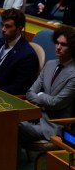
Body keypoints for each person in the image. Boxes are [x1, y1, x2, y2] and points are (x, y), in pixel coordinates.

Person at [16, 26, 75, 156]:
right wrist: (42, 99)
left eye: (63, 44)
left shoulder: (73, 74)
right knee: (4, 119)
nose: (58, 47)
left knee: (13, 126)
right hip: (34, 118)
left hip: (53, 127)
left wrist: (40, 96)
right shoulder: (50, 64)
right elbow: (30, 92)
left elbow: (56, 103)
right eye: (57, 43)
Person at [0, 8, 39, 96]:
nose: (3, 29)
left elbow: (18, 88)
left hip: (0, 99)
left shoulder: (27, 56)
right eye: (2, 25)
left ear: (19, 29)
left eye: (8, 26)